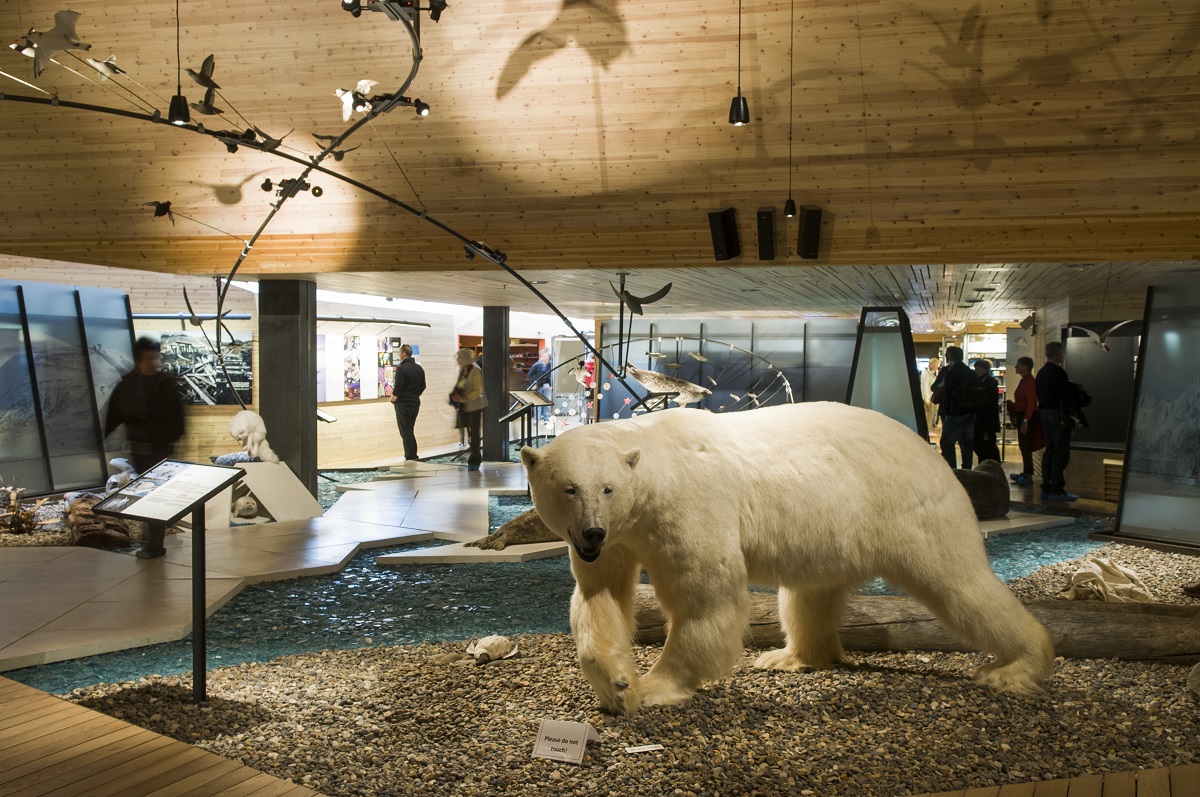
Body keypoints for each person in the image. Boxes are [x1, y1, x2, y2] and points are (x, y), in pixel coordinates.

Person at [104, 337, 186, 559]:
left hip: (160, 451)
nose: (155, 362)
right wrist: (103, 435)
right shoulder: (129, 385)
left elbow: (177, 418)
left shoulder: (165, 384)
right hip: (140, 450)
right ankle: (155, 541)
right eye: (150, 358)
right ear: (140, 360)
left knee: (156, 497)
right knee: (148, 497)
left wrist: (171, 441)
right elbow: (115, 412)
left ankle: (156, 543)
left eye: (156, 357)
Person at [1035, 340, 1079, 502]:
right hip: (1058, 414)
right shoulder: (1058, 372)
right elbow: (1065, 394)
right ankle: (1056, 488)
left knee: (1050, 450)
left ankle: (1046, 486)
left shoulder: (1041, 372)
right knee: (1060, 451)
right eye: (1061, 352)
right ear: (1057, 353)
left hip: (1045, 413)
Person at [930, 345, 976, 469]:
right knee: (966, 444)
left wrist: (942, 386)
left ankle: (951, 469)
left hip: (950, 412)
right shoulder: (970, 372)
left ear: (948, 356)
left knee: (947, 443)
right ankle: (967, 469)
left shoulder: (947, 372)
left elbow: (934, 388)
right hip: (969, 413)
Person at [1006, 356, 1043, 486]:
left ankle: (1028, 474)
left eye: (1018, 364)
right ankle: (1026, 472)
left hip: (1028, 417)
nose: (1015, 367)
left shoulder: (1029, 382)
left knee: (1026, 445)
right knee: (1023, 445)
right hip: (1023, 415)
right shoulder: (1024, 381)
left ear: (1024, 366)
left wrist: (1026, 420)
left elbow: (1031, 402)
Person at [451, 348, 488, 471]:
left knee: (475, 432)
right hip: (465, 406)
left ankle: (475, 458)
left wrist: (462, 398)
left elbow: (478, 390)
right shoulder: (464, 371)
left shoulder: (475, 371)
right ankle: (473, 455)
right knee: (470, 431)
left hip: (474, 406)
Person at [390, 343, 426, 461]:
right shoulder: (419, 368)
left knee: (405, 431)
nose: (399, 355)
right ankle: (413, 455)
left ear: (404, 354)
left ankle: (410, 456)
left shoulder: (401, 369)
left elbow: (398, 388)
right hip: (415, 403)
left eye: (399, 353)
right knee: (410, 429)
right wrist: (415, 395)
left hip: (403, 403)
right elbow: (423, 386)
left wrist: (393, 399)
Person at [971, 359, 1002, 463]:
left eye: (978, 368)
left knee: (987, 445)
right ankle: (987, 463)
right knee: (983, 445)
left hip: (986, 421)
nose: (976, 371)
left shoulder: (989, 383)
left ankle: (991, 464)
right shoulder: (982, 381)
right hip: (983, 420)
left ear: (985, 369)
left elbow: (988, 402)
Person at [526, 346, 553, 425]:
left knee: (547, 402)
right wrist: (532, 385)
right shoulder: (537, 365)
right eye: (543, 356)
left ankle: (546, 418)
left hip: (547, 386)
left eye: (546, 356)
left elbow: (554, 375)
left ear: (549, 355)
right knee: (537, 403)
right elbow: (530, 375)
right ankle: (536, 419)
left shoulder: (551, 365)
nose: (544, 358)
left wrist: (551, 385)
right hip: (538, 386)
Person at [919, 357, 941, 436]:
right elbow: (924, 387)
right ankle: (928, 429)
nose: (937, 366)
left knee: (934, 413)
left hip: (934, 396)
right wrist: (926, 399)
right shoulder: (925, 374)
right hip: (929, 396)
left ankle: (931, 428)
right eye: (936, 365)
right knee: (930, 413)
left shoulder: (935, 373)